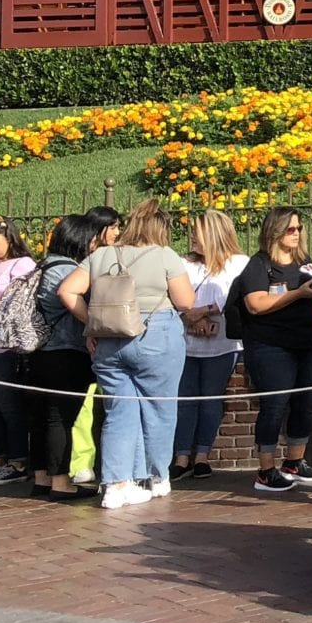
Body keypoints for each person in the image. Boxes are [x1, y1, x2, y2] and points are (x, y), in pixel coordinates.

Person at [58, 199, 197, 510]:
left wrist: (91, 325)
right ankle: (156, 477)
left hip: (109, 337)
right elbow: (186, 302)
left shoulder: (102, 254)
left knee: (119, 412)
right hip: (155, 333)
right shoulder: (165, 256)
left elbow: (67, 291)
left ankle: (116, 484)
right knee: (159, 409)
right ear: (161, 228)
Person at [234, 206, 312, 493]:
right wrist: (296, 295)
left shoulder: (304, 261)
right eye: (291, 229)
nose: (296, 234)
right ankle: (266, 470)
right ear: (275, 231)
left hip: (310, 342)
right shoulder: (259, 265)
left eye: (299, 228)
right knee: (275, 405)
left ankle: (294, 461)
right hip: (272, 345)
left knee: (307, 403)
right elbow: (256, 304)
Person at [29, 214, 103, 499]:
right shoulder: (68, 271)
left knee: (41, 417)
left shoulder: (41, 266)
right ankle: (62, 482)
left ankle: (42, 479)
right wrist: (91, 325)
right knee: (61, 418)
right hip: (66, 351)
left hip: (38, 352)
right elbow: (68, 298)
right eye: (93, 240)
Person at [170, 211, 248, 482]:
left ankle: (202, 455)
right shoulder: (183, 263)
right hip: (185, 342)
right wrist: (189, 316)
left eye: (197, 231)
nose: (192, 236)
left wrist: (201, 312)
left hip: (222, 344)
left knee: (211, 399)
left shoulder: (238, 263)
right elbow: (172, 296)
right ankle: (181, 456)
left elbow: (235, 297)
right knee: (185, 399)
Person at [0, 213, 39, 486]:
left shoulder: (23, 264)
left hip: (5, 347)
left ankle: (18, 460)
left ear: (9, 238)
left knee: (9, 406)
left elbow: (17, 301)